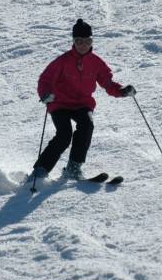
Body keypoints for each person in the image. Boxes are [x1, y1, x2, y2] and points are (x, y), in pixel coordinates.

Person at [30, 19, 136, 181]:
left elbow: (107, 83)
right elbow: (45, 79)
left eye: (87, 41)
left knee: (87, 125)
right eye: (79, 41)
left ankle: (73, 168)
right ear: (73, 42)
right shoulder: (63, 61)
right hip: (60, 103)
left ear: (91, 41)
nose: (83, 45)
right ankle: (40, 171)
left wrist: (122, 91)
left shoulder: (96, 63)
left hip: (82, 103)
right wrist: (45, 94)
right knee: (64, 135)